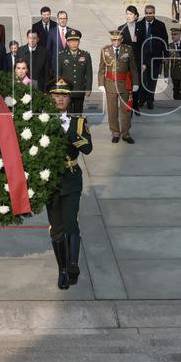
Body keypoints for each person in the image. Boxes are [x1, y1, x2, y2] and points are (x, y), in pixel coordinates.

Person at [45, 77, 93, 290]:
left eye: (63, 95)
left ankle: (73, 264)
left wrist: (70, 130)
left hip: (71, 177)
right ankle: (62, 270)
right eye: (56, 95)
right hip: (50, 180)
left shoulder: (78, 121)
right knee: (56, 228)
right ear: (50, 97)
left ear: (69, 98)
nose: (60, 99)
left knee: (71, 222)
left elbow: (88, 149)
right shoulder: (42, 121)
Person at [98, 29, 139, 143]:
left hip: (124, 84)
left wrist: (135, 83)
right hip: (110, 83)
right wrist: (101, 84)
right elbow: (101, 69)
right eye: (114, 40)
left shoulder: (128, 49)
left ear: (121, 40)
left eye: (118, 40)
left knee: (126, 110)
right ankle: (115, 132)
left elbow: (133, 68)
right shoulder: (105, 50)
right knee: (112, 110)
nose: (116, 42)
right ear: (111, 40)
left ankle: (125, 133)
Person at [139, 5, 168, 111]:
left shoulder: (160, 25)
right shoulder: (139, 25)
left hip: (155, 57)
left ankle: (150, 100)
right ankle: (142, 99)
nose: (148, 15)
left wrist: (166, 56)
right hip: (143, 57)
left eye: (151, 13)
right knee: (143, 80)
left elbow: (164, 41)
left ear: (154, 13)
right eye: (147, 13)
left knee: (152, 81)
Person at [56, 29, 92, 114]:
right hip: (66, 91)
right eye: (71, 41)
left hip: (80, 90)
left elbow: (89, 74)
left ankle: (78, 127)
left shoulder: (85, 55)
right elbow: (58, 74)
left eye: (76, 41)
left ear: (79, 42)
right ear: (67, 43)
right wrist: (59, 89)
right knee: (67, 112)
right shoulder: (61, 55)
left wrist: (88, 89)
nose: (73, 43)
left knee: (78, 112)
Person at [121, 6, 145, 114]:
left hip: (137, 62)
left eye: (130, 14)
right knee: (126, 85)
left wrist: (144, 63)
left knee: (137, 84)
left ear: (136, 16)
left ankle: (135, 105)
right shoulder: (121, 28)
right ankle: (127, 105)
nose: (128, 16)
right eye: (127, 14)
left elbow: (144, 47)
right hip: (125, 63)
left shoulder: (141, 28)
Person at [165, 24, 181, 100]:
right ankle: (177, 105)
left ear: (180, 35)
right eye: (172, 34)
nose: (173, 36)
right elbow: (166, 62)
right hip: (174, 72)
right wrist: (166, 76)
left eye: (175, 34)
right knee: (176, 90)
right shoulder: (169, 46)